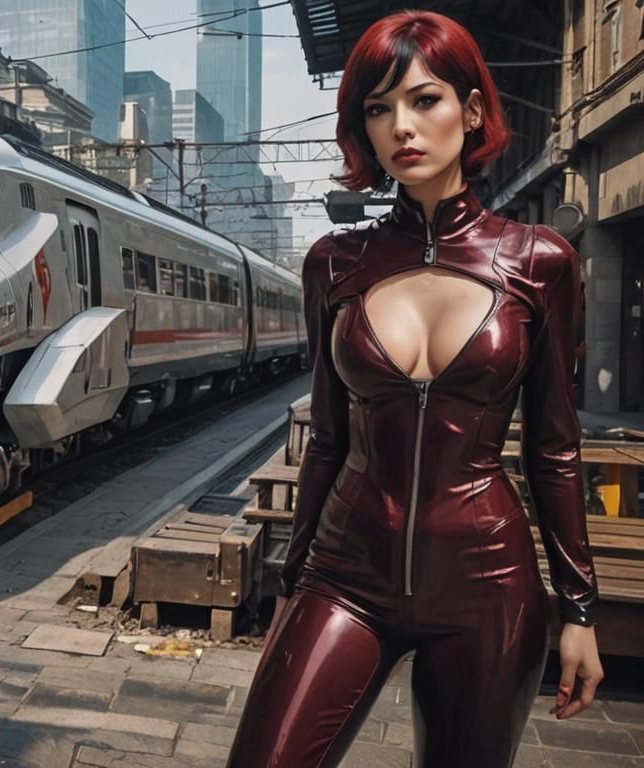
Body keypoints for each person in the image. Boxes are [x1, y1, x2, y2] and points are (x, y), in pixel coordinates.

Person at [225, 11, 603, 768]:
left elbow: (556, 451)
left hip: (487, 585)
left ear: (470, 110)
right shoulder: (334, 263)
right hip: (343, 575)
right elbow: (329, 438)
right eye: (377, 107)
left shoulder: (539, 261)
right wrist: (291, 586)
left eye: (423, 100)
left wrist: (579, 610)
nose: (401, 126)